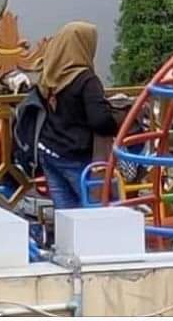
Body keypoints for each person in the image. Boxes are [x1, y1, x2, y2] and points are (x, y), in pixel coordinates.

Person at [37, 22, 118, 210]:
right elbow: (100, 121)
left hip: (49, 150)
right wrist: (117, 119)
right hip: (76, 155)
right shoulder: (86, 80)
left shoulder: (50, 75)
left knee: (66, 214)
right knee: (93, 213)